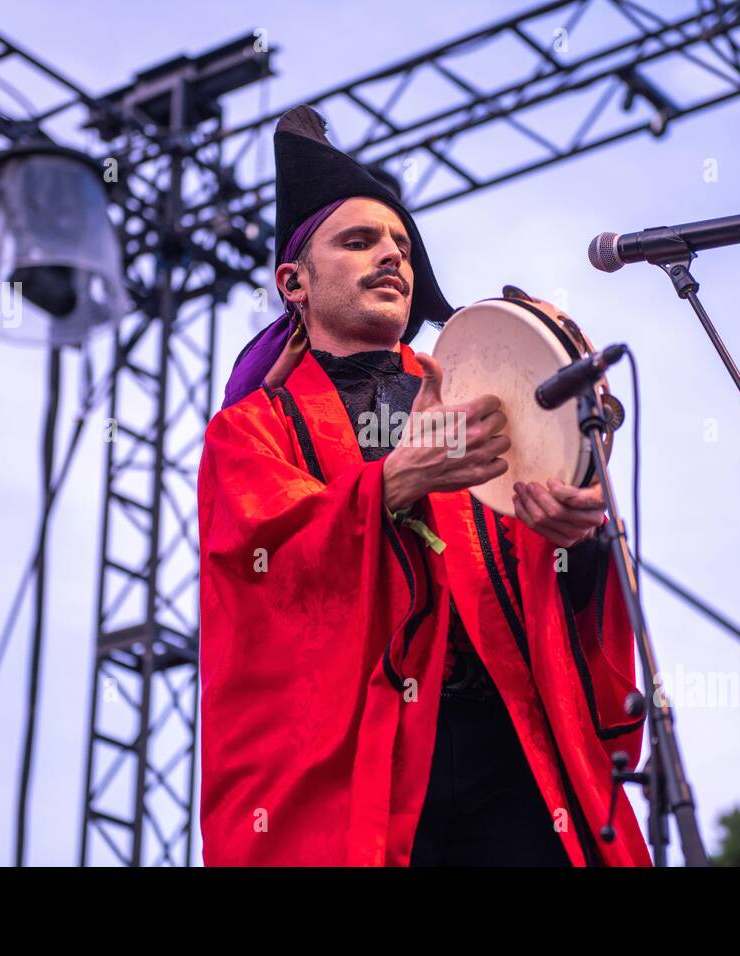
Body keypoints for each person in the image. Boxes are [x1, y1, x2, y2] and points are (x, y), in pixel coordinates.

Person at [197, 105, 651, 866]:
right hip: (362, 769)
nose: (392, 257)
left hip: (508, 756)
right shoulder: (252, 430)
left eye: (402, 244)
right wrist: (389, 483)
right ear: (294, 282)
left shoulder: (476, 402)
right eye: (360, 240)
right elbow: (263, 572)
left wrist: (578, 538)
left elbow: (542, 586)